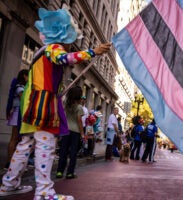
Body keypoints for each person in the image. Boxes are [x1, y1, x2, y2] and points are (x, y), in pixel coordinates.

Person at [0, 7, 111, 200]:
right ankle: (44, 192)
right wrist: (93, 52)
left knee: (25, 145)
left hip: (33, 104)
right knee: (46, 145)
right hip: (42, 104)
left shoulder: (43, 52)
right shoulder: (54, 49)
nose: (72, 45)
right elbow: (64, 58)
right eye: (71, 40)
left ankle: (9, 184)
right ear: (64, 38)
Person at [56, 86, 85, 179]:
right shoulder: (79, 107)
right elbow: (79, 121)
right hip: (75, 131)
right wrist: (82, 134)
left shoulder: (66, 104)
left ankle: (59, 171)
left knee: (63, 151)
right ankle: (70, 172)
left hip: (65, 130)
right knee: (73, 152)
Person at [4, 69, 29, 169]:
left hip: (19, 112)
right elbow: (24, 98)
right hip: (17, 112)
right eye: (28, 76)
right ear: (24, 76)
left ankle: (12, 162)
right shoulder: (19, 87)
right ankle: (9, 161)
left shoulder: (20, 86)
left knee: (17, 138)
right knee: (14, 138)